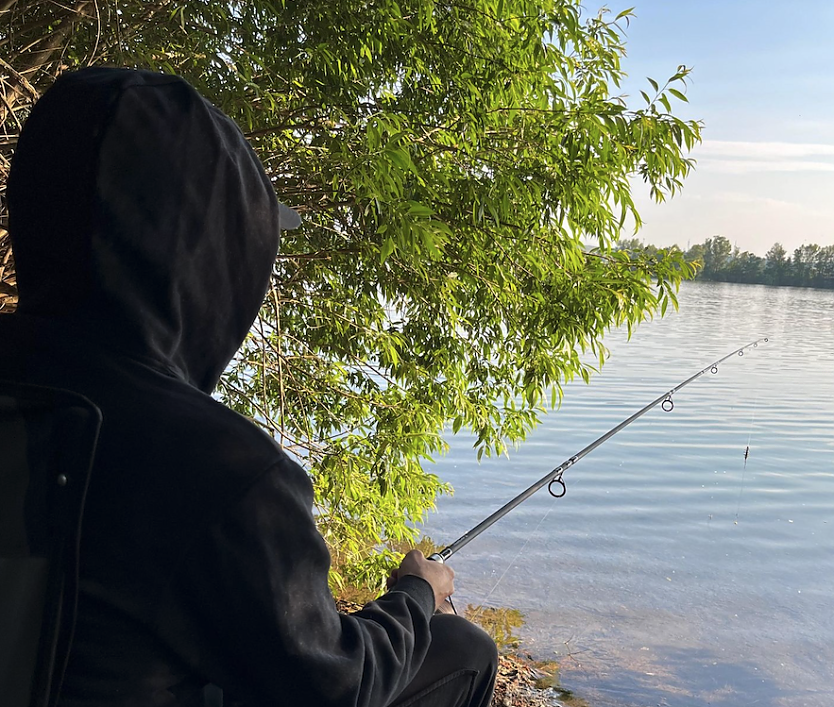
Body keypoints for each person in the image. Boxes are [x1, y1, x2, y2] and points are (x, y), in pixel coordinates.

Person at [0, 67, 497, 707]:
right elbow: (339, 687)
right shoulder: (217, 470)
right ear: (212, 258)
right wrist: (417, 595)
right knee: (464, 651)